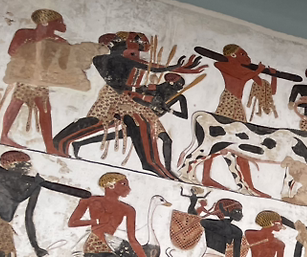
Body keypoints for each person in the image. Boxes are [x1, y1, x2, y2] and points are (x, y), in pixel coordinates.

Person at [53, 31, 202, 178]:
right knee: (99, 122)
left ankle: (153, 164)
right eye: (136, 45)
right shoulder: (115, 59)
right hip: (115, 96)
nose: (137, 51)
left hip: (128, 97)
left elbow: (151, 67)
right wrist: (175, 68)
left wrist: (177, 68)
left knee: (141, 124)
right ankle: (61, 141)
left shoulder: (113, 60)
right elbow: (151, 68)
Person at [0, 8, 69, 153]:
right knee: (25, 103)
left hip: (41, 78)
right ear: (47, 23)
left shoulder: (59, 41)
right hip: (26, 75)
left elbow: (64, 64)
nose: (62, 25)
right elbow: (12, 51)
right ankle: (6, 136)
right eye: (59, 22)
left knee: (41, 108)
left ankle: (48, 146)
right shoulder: (24, 34)